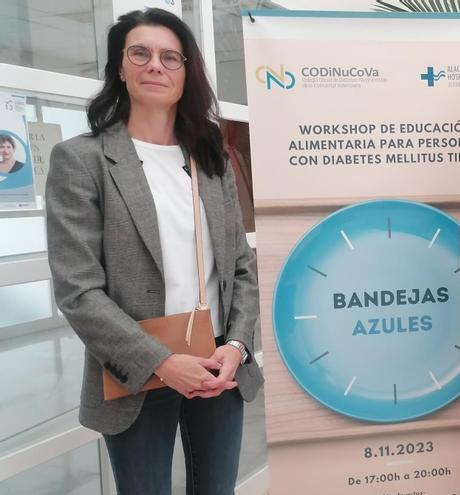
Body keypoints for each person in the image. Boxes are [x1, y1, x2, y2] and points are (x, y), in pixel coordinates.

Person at [45, 8, 263, 494]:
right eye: (139, 53)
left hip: (216, 368)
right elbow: (79, 291)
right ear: (119, 67)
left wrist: (237, 345)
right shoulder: (82, 160)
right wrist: (163, 362)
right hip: (136, 376)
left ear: (187, 72)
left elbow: (241, 268)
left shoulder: (211, 159)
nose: (155, 66)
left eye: (170, 57)